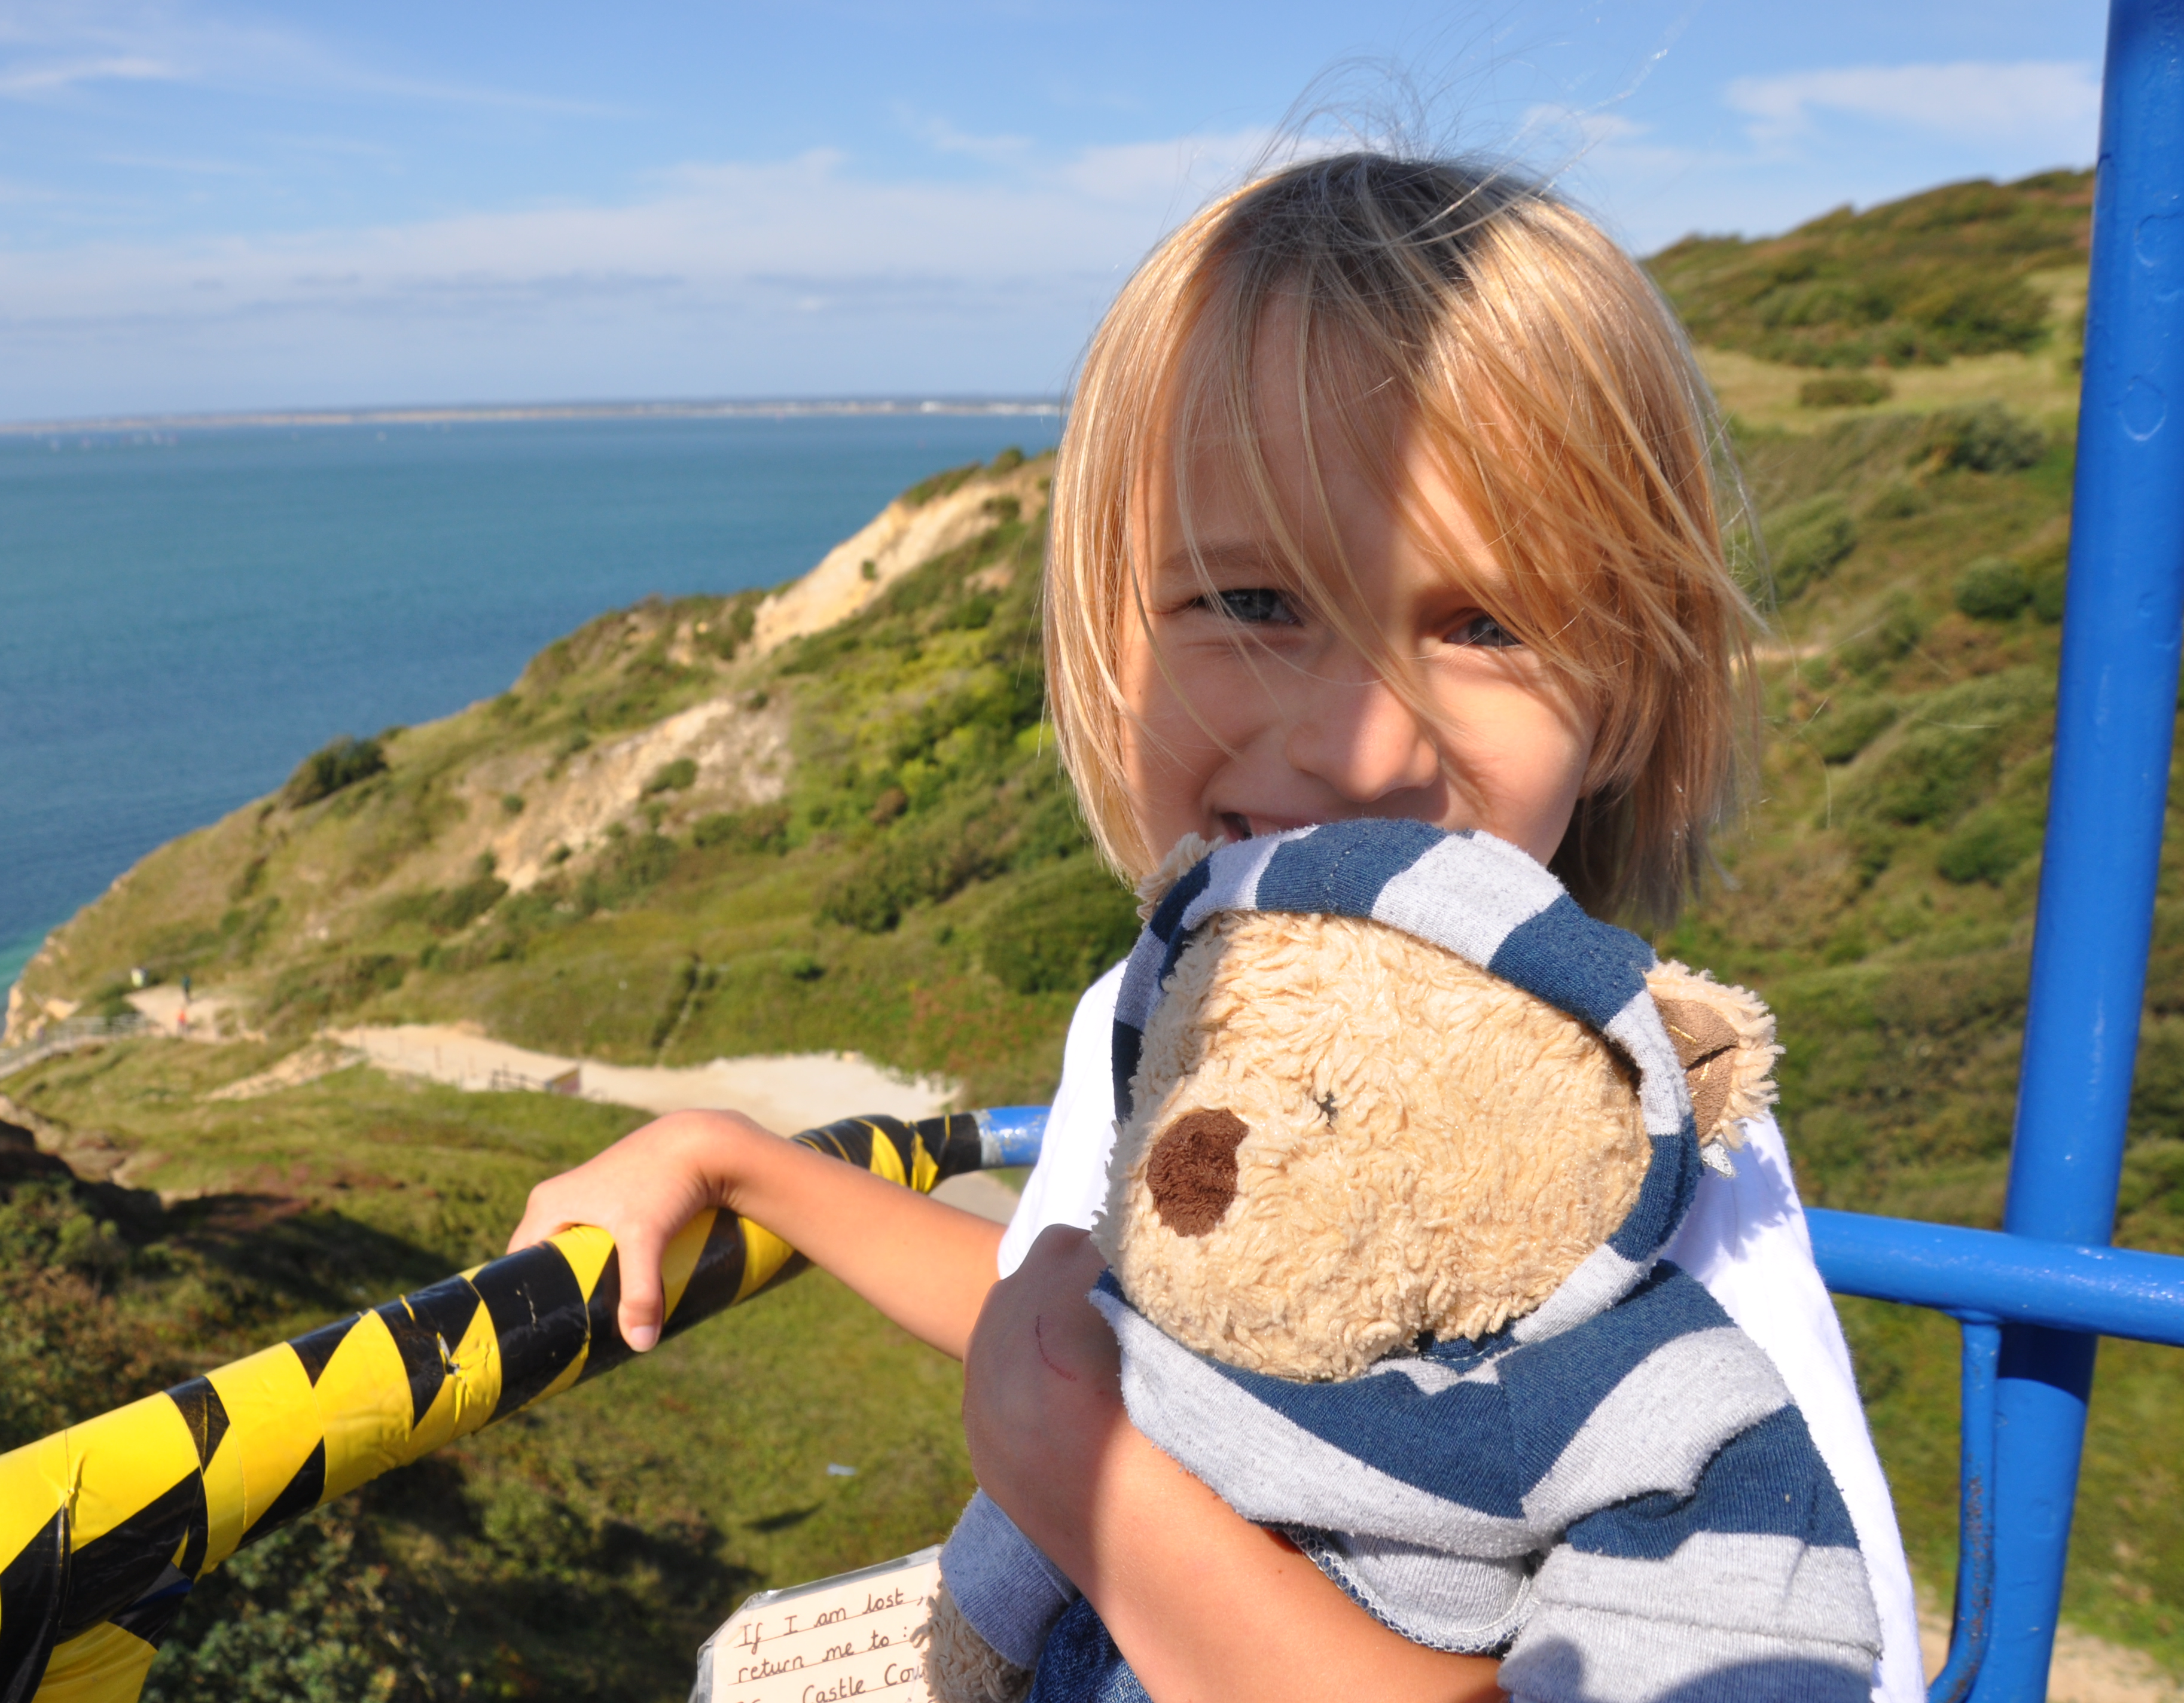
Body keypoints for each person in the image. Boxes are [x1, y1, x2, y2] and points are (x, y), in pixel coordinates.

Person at [510, 151, 1923, 1703]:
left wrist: (1097, 1505)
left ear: (1632, 700)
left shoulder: (1644, 1132)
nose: (1361, 747)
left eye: (1486, 625)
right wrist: (747, 1167)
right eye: (1253, 603)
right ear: (1099, 636)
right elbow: (1093, 1317)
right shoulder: (1169, 993)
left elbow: (1768, 1658)